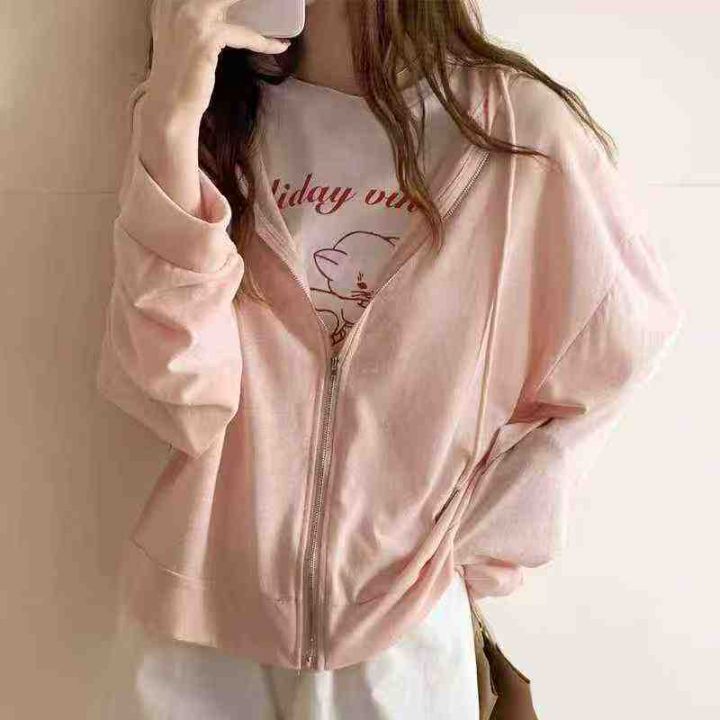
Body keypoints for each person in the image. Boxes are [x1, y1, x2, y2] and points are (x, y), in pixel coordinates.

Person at [92, 0, 685, 717]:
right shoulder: (212, 115)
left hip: (401, 645)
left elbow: (617, 351)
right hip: (195, 632)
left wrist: (464, 548)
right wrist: (170, 115)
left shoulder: (516, 133)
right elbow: (177, 395)